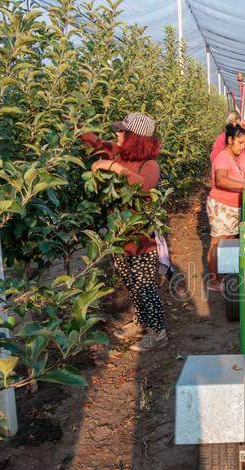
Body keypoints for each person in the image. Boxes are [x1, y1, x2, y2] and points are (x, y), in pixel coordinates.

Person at [80, 112, 169, 352]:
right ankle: (140, 322)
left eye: (123, 131)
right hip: (119, 239)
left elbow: (144, 185)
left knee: (145, 288)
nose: (117, 133)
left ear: (136, 138)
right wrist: (76, 128)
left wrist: (112, 167)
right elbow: (97, 143)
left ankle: (157, 332)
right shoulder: (117, 153)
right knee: (131, 284)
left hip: (142, 242)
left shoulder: (149, 165)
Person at [206, 123, 245, 292]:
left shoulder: (241, 156)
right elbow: (221, 180)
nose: (243, 146)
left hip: (235, 206)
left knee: (230, 241)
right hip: (221, 206)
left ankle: (227, 277)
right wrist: (243, 186)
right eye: (240, 142)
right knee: (218, 241)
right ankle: (214, 280)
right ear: (230, 140)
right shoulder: (222, 158)